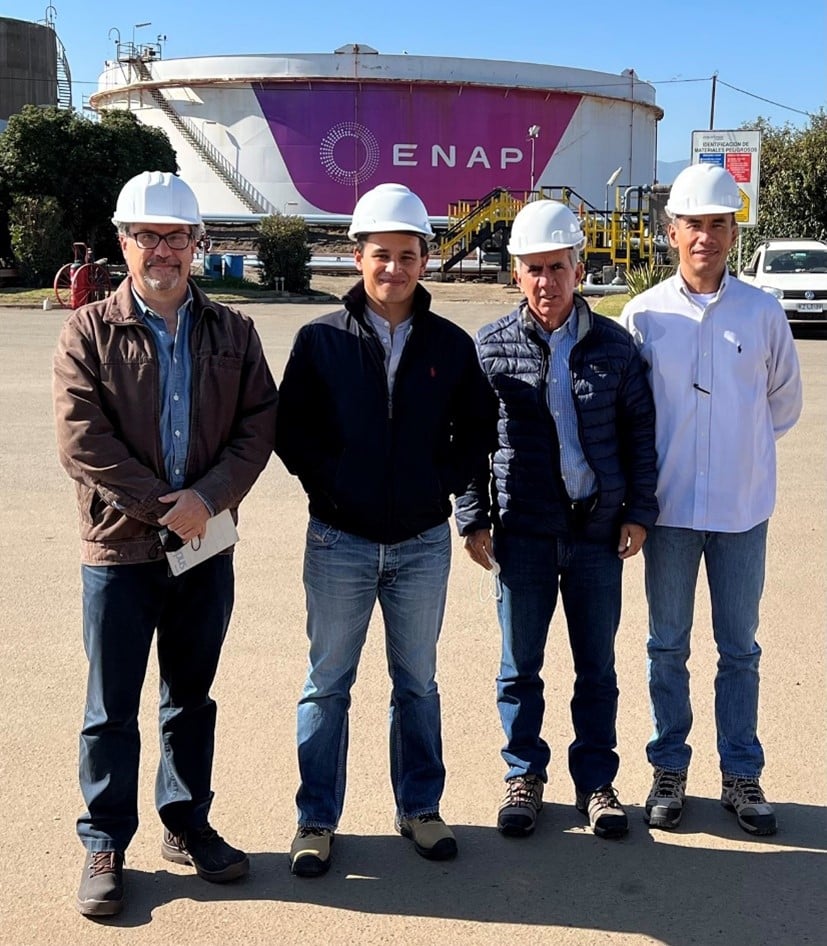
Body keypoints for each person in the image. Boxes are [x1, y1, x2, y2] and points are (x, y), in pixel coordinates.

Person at [54, 171, 279, 916]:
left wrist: (207, 502)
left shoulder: (233, 333)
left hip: (205, 549)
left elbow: (258, 426)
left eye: (176, 236)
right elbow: (83, 440)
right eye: (147, 235)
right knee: (110, 706)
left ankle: (185, 823)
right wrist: (165, 508)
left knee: (190, 698)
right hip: (119, 550)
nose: (162, 250)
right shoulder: (87, 331)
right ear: (124, 242)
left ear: (197, 244)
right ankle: (105, 838)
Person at [275, 183, 493, 876]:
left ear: (425, 260)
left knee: (417, 683)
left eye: (406, 255)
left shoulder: (450, 345)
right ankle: (315, 820)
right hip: (339, 539)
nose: (393, 269)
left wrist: (442, 485)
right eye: (380, 255)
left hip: (422, 544)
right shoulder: (319, 340)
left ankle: (420, 810)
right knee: (326, 684)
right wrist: (330, 486)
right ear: (355, 256)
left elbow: (479, 429)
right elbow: (291, 431)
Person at [456, 200, 658, 840]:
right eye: (533, 268)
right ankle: (524, 776)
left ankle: (597, 783)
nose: (546, 281)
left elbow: (640, 436)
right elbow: (470, 444)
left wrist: (639, 511)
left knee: (596, 666)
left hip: (597, 533)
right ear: (516, 273)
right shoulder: (490, 348)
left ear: (579, 267)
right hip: (525, 534)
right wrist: (474, 518)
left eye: (558, 267)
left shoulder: (615, 347)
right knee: (520, 667)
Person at [620, 163, 802, 836]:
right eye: (692, 224)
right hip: (666, 515)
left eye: (717, 224)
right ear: (671, 233)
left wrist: (739, 451)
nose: (705, 237)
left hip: (739, 511)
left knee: (739, 650)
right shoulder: (644, 315)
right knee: (665, 647)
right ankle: (668, 767)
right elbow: (632, 413)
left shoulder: (761, 311)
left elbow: (782, 401)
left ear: (733, 231)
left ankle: (739, 774)